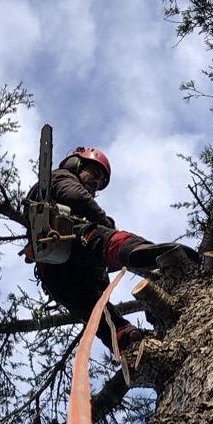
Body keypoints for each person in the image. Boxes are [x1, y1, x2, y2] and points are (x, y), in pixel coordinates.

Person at [23, 147, 166, 350]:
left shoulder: (48, 191)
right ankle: (156, 256)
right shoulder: (61, 176)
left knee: (94, 309)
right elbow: (75, 197)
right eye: (95, 175)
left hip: (57, 274)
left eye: (99, 183)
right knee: (101, 239)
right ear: (76, 165)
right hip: (68, 241)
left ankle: (126, 340)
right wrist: (106, 222)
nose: (96, 184)